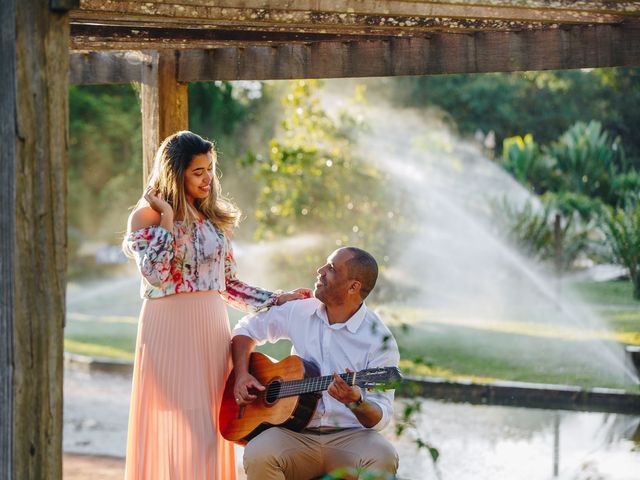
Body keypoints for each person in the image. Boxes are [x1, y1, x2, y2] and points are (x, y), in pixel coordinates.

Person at [122, 130, 310, 480]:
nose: (208, 178)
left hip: (210, 327)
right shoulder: (145, 217)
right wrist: (165, 216)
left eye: (210, 169)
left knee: (210, 421)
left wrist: (275, 299)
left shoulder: (212, 221)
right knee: (175, 418)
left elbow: (229, 285)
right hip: (166, 327)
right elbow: (156, 276)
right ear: (175, 173)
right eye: (198, 171)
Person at [232, 247, 400, 480]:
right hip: (295, 434)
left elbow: (381, 416)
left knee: (383, 456)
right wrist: (241, 374)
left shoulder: (379, 341)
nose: (320, 271)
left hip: (350, 437)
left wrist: (356, 402)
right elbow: (245, 329)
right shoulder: (300, 310)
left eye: (331, 268)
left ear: (354, 287)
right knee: (259, 452)